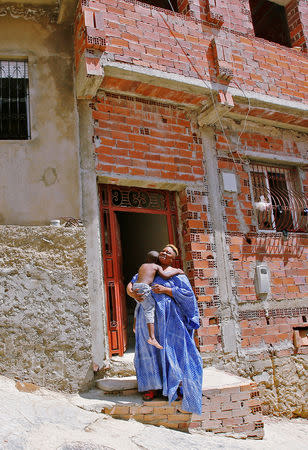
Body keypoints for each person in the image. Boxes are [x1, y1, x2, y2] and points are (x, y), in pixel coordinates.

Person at [127, 244, 203, 415]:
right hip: (146, 319)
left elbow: (188, 295)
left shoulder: (178, 274)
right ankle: (151, 387)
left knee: (171, 351)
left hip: (170, 320)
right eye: (163, 250)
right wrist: (132, 294)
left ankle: (172, 386)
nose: (164, 252)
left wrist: (166, 290)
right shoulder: (150, 268)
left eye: (168, 252)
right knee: (149, 351)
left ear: (173, 258)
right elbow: (131, 284)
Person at [132, 250, 184, 349]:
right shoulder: (156, 267)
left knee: (139, 305)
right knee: (149, 309)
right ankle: (152, 337)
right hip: (144, 287)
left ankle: (135, 325)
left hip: (137, 287)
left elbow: (139, 278)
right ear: (157, 260)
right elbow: (165, 276)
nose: (164, 254)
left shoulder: (143, 266)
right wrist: (177, 271)